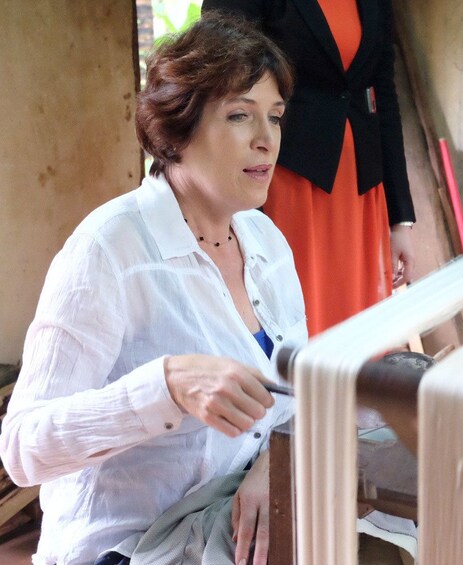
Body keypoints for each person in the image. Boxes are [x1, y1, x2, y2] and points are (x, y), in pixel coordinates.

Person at [0, 14, 304, 565]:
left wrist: (271, 463)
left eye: (275, 118)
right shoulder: (109, 252)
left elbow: (289, 402)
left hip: (229, 528)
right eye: (240, 115)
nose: (266, 140)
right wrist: (164, 387)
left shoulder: (264, 241)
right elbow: (23, 448)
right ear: (177, 130)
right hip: (125, 548)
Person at [202, 0, 418, 336]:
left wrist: (400, 218)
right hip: (287, 178)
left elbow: (384, 93)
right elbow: (224, 70)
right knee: (296, 316)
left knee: (358, 331)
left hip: (360, 186)